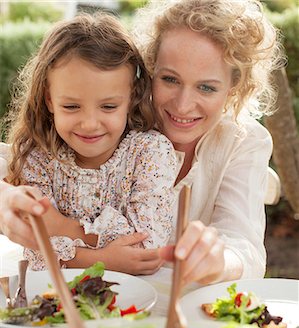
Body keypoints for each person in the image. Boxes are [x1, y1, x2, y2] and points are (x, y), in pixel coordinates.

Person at [0, 0, 283, 284]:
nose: (183, 106)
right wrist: (4, 198)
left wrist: (219, 259)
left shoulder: (243, 141)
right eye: (170, 79)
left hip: (184, 305)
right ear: (149, 71)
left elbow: (244, 248)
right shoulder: (113, 115)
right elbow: (20, 161)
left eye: (207, 87)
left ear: (234, 89)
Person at [0, 13, 177, 271]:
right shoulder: (38, 159)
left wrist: (60, 227)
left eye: (108, 106)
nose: (90, 123)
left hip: (136, 302)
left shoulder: (150, 153)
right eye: (71, 106)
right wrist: (106, 258)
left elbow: (146, 251)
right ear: (50, 100)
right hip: (57, 300)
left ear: (132, 97)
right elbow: (36, 254)